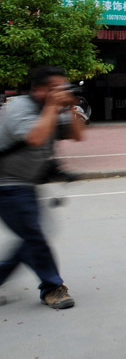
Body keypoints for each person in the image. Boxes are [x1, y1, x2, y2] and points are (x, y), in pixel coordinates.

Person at [0, 66, 85, 309]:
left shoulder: (50, 110)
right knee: (34, 236)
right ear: (38, 90)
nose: (60, 93)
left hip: (25, 185)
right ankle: (52, 287)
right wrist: (51, 106)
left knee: (31, 237)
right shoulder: (19, 107)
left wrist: (71, 106)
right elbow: (35, 137)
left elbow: (78, 136)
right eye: (54, 89)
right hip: (6, 185)